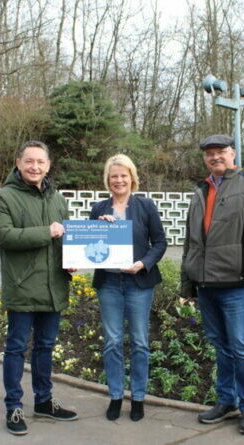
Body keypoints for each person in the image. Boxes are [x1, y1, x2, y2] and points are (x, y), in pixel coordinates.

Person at [181, 135, 244, 435]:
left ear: (232, 153)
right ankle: (227, 401)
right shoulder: (200, 190)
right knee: (222, 347)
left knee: (240, 348)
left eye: (221, 152)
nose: (215, 158)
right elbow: (191, 239)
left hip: (239, 284)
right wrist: (189, 283)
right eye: (210, 154)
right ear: (204, 158)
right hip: (207, 286)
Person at [0, 141, 78, 436]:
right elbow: (4, 236)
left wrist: (73, 259)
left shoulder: (58, 198)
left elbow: (66, 238)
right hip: (22, 286)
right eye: (29, 161)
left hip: (54, 286)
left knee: (45, 347)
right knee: (15, 348)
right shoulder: (4, 197)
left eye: (40, 162)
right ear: (18, 163)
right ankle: (13, 406)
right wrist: (46, 232)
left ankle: (44, 401)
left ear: (48, 166)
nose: (35, 167)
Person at [89, 154, 168, 422]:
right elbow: (89, 245)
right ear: (108, 180)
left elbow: (159, 243)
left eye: (124, 175)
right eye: (114, 176)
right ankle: (114, 396)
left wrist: (143, 263)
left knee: (140, 341)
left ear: (132, 178)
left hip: (138, 282)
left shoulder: (145, 206)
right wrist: (98, 228)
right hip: (108, 283)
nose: (119, 180)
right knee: (111, 341)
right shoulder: (98, 208)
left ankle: (138, 397)